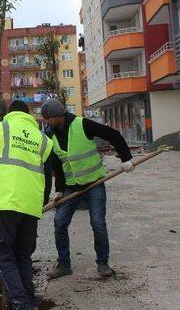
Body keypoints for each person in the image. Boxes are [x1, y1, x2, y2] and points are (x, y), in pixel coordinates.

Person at [0, 100, 53, 310]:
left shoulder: (0, 128)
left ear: (9, 114)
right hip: (30, 205)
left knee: (3, 257)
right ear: (28, 115)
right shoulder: (42, 139)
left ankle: (21, 307)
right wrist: (40, 202)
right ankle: (30, 299)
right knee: (22, 255)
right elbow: (48, 178)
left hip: (5, 202)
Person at [41, 98, 134, 279]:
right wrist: (59, 190)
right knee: (59, 222)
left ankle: (103, 263)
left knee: (98, 223)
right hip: (71, 187)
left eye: (47, 118)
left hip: (94, 184)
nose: (46, 122)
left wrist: (126, 159)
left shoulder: (82, 124)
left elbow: (113, 134)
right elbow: (58, 165)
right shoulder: (50, 135)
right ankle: (64, 265)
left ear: (56, 116)